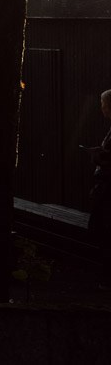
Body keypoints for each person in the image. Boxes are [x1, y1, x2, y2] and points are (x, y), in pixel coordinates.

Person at [86, 89, 111, 288]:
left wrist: (98, 156)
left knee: (103, 229)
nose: (101, 109)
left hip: (107, 188)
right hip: (105, 185)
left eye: (103, 105)